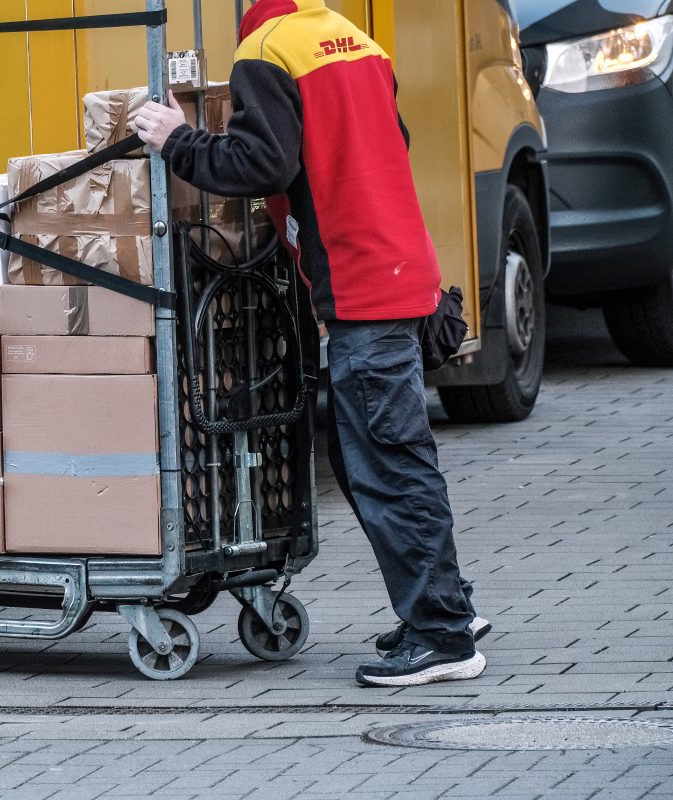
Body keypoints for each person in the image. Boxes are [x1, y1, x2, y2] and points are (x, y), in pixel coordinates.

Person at [132, 0, 491, 687]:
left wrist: (178, 138)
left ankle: (443, 636)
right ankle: (443, 609)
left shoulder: (266, 50)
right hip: (400, 270)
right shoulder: (352, 38)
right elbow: (391, 142)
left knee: (387, 469)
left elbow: (259, 164)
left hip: (364, 290)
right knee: (372, 465)